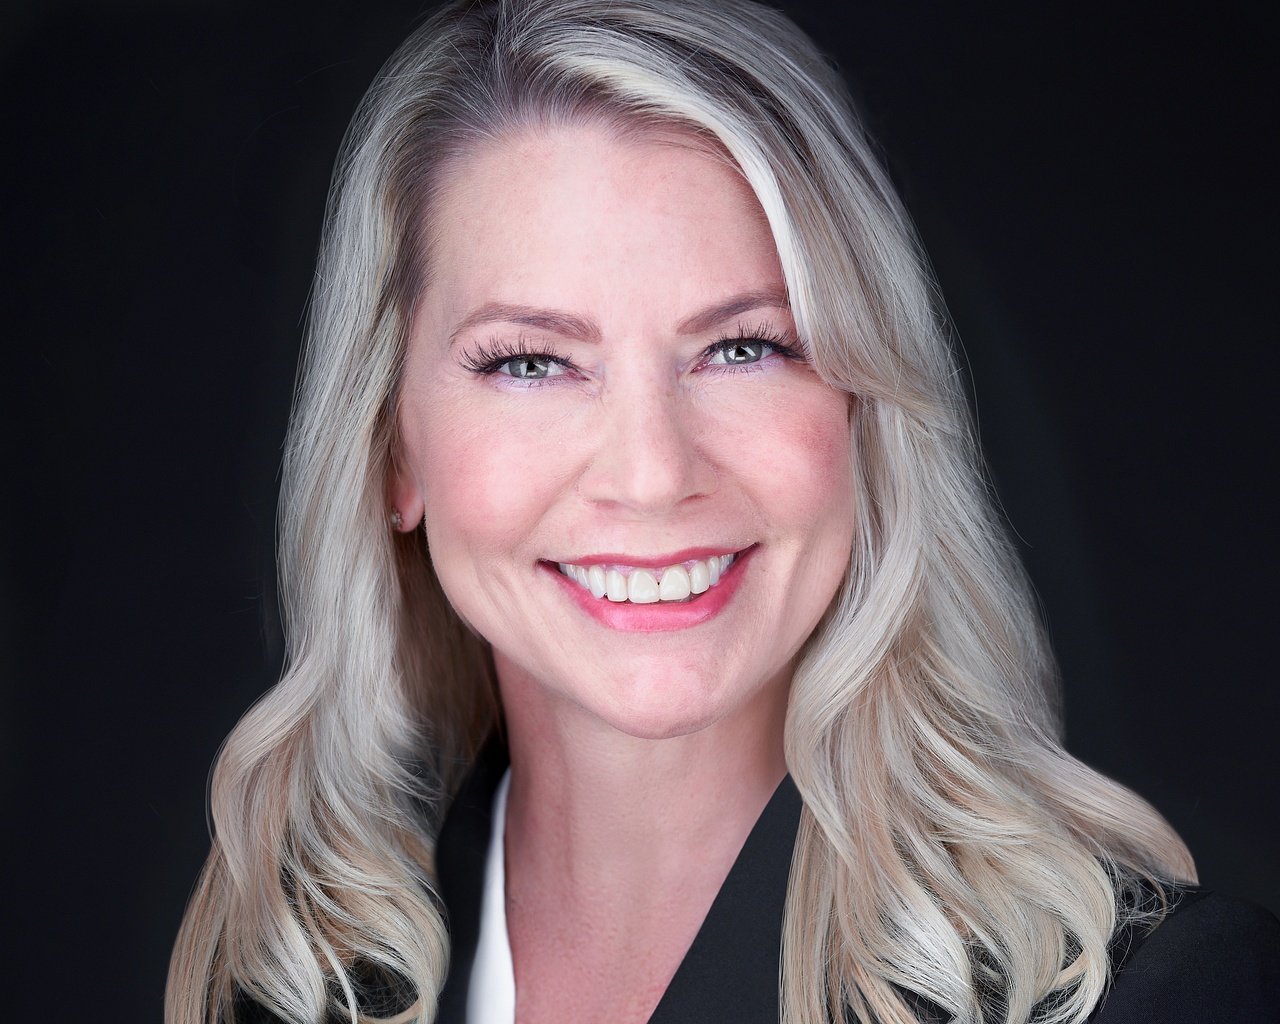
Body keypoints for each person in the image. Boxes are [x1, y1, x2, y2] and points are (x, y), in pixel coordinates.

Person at [166, 1, 1280, 1022]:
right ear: (392, 449)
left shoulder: (1157, 998)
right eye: (531, 362)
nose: (653, 473)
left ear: (863, 408)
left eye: (743, 347)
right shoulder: (289, 988)